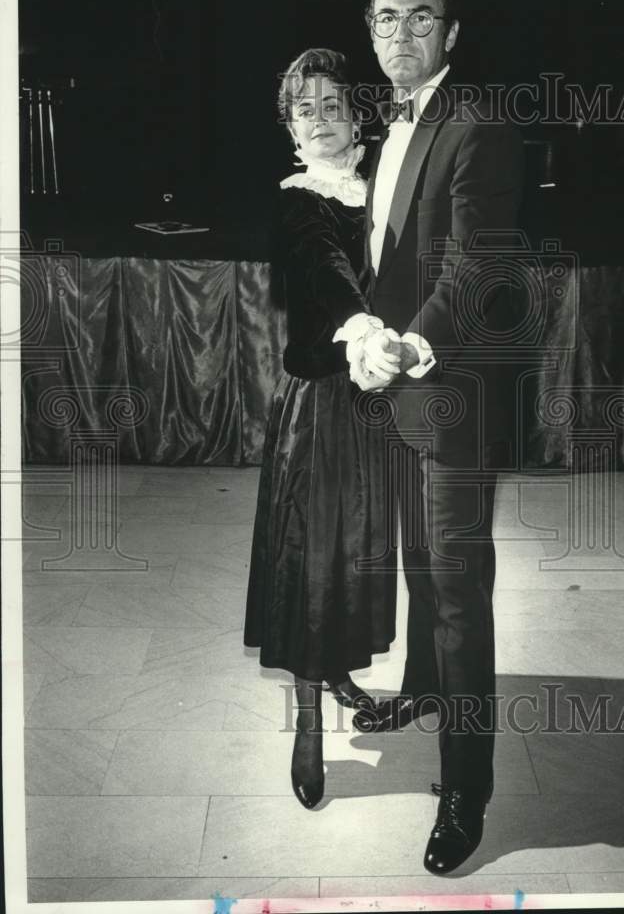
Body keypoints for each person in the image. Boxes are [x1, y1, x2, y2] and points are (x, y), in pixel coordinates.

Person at [346, 0, 525, 874]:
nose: (402, 34)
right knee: (420, 563)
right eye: (386, 19)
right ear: (371, 34)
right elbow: (390, 262)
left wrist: (410, 349)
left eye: (421, 18)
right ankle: (423, 691)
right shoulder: (393, 125)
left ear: (452, 34)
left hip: (452, 394)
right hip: (404, 391)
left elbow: (474, 269)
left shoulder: (479, 125)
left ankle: (468, 788)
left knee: (458, 594)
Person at [243, 48, 405, 811]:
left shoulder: (376, 190)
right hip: (321, 407)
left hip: (375, 406)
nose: (321, 119)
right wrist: (366, 329)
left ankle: (337, 666)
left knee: (357, 551)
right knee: (312, 558)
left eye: (334, 104)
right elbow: (324, 268)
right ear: (289, 127)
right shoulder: (298, 201)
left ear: (356, 115)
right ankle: (308, 721)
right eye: (304, 107)